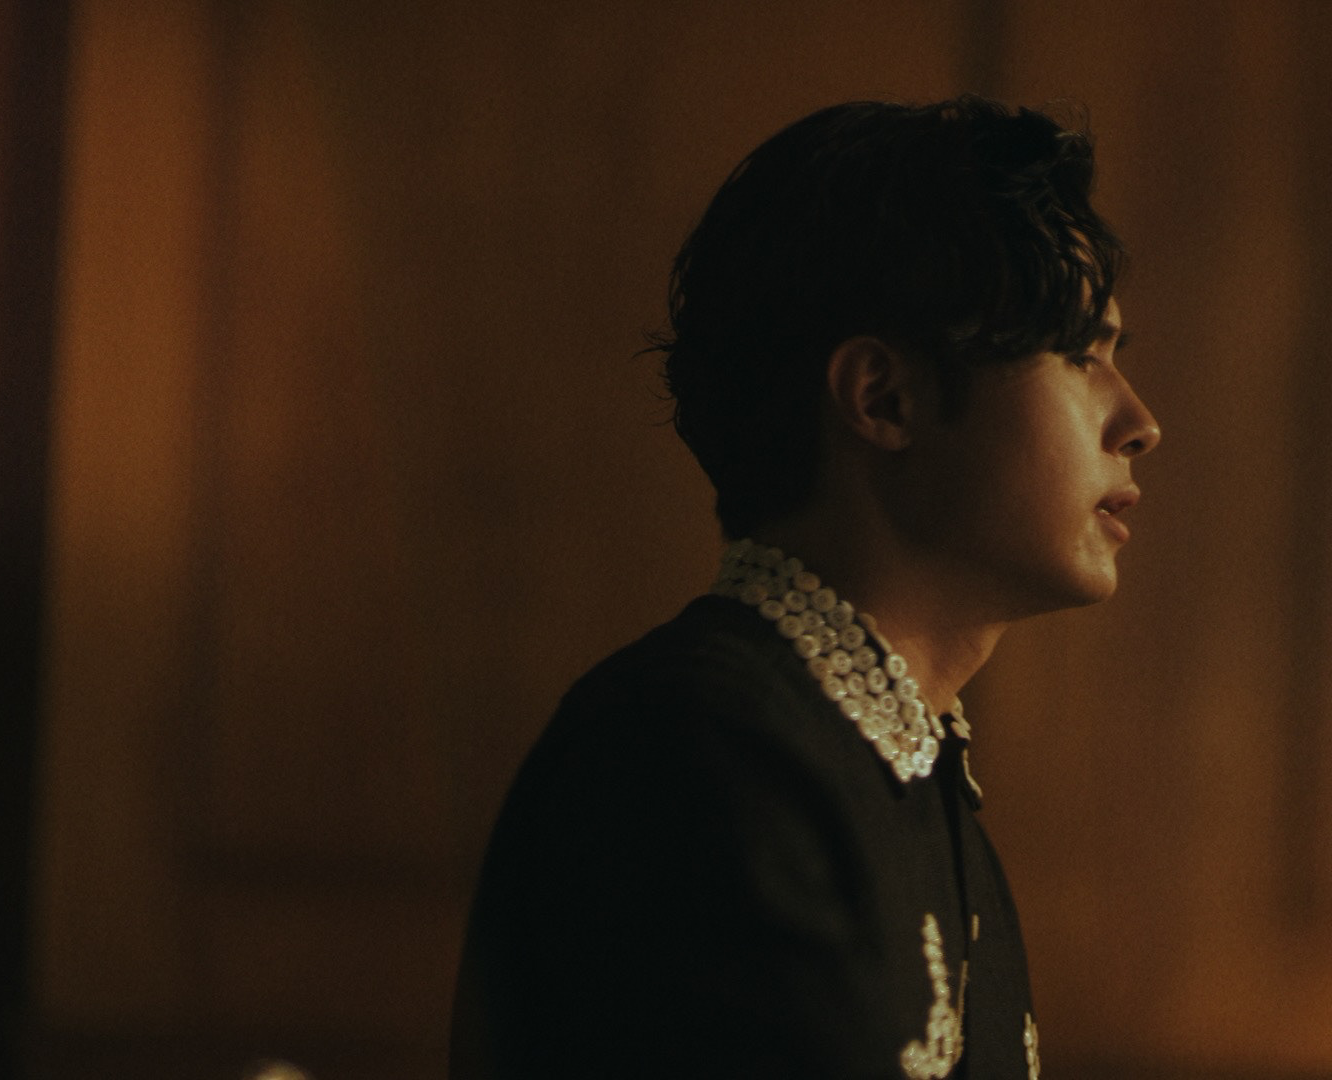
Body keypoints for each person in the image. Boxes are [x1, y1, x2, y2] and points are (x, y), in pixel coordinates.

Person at [450, 95, 1160, 1079]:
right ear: (883, 397)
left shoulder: (908, 773)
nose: (1139, 423)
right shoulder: (689, 747)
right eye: (1081, 355)